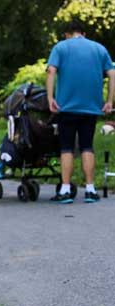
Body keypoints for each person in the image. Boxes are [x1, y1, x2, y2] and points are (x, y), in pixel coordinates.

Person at [46, 20, 115, 204]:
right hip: (91, 107)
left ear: (67, 34)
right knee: (87, 146)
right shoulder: (99, 49)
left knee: (67, 147)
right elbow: (112, 74)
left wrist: (50, 98)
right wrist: (109, 101)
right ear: (83, 33)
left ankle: (66, 190)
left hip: (66, 107)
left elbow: (51, 72)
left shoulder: (60, 47)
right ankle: (91, 190)